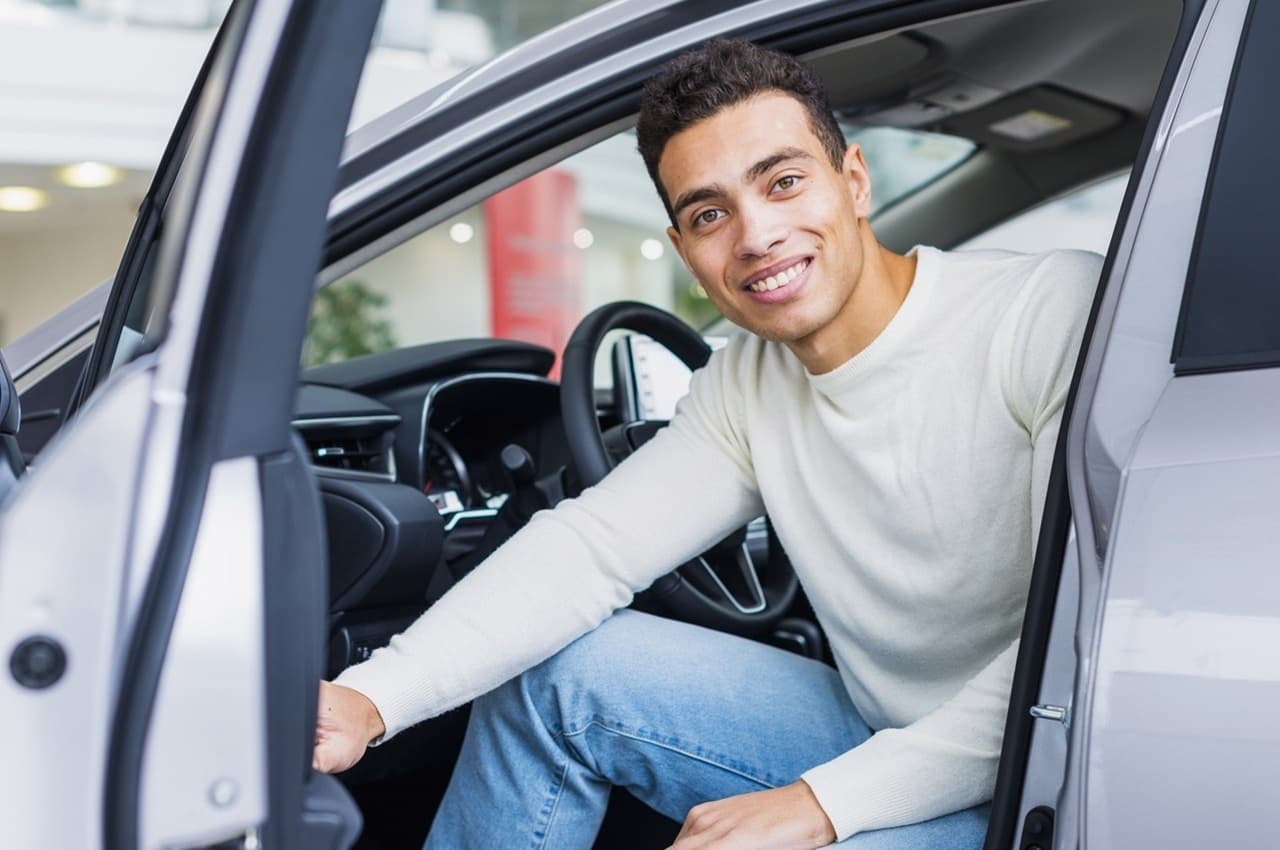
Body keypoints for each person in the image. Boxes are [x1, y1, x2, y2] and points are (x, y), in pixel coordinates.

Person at [313, 38, 1099, 850]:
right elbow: (591, 550)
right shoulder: (749, 381)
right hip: (883, 736)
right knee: (558, 677)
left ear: (854, 181)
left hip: (1055, 777)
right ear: (687, 251)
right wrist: (373, 699)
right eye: (710, 213)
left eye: (784, 181)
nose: (755, 236)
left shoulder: (1044, 315)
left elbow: (1072, 655)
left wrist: (820, 804)